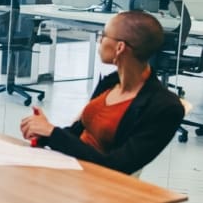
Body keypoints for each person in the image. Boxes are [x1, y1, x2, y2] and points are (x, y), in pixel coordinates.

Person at [20, 11, 184, 174]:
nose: (99, 40)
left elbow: (116, 166)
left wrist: (53, 133)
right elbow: (77, 133)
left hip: (100, 184)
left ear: (120, 47)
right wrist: (44, 133)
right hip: (71, 169)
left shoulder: (164, 108)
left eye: (104, 35)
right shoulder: (111, 81)